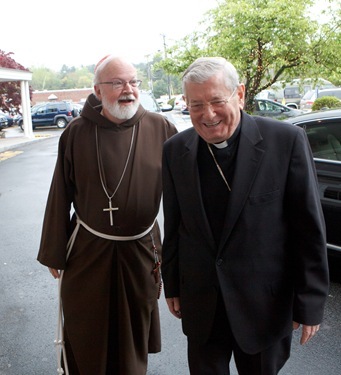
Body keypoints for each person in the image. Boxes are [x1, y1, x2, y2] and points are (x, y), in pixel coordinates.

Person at [161, 57, 329, 375]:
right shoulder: (174, 150)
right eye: (196, 105)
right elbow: (175, 224)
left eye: (216, 101)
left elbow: (308, 229)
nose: (207, 115)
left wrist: (309, 302)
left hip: (264, 305)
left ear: (239, 94)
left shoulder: (286, 142)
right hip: (202, 304)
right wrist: (172, 284)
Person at [37, 55, 177, 375]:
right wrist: (53, 252)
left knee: (131, 338)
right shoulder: (75, 132)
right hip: (87, 251)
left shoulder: (162, 128)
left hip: (141, 250)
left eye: (133, 82)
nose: (128, 90)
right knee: (87, 331)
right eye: (117, 83)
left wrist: (179, 259)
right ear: (98, 91)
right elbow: (61, 193)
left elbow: (181, 201)